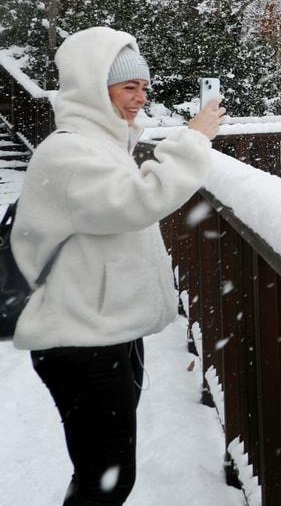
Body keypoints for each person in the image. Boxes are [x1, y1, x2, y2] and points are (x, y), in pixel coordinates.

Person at [10, 27, 225, 505]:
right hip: (79, 342)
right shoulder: (68, 152)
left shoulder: (102, 145)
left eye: (143, 87)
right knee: (105, 479)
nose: (140, 99)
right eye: (129, 87)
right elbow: (138, 201)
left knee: (102, 473)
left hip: (103, 330)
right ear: (92, 89)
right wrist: (193, 141)